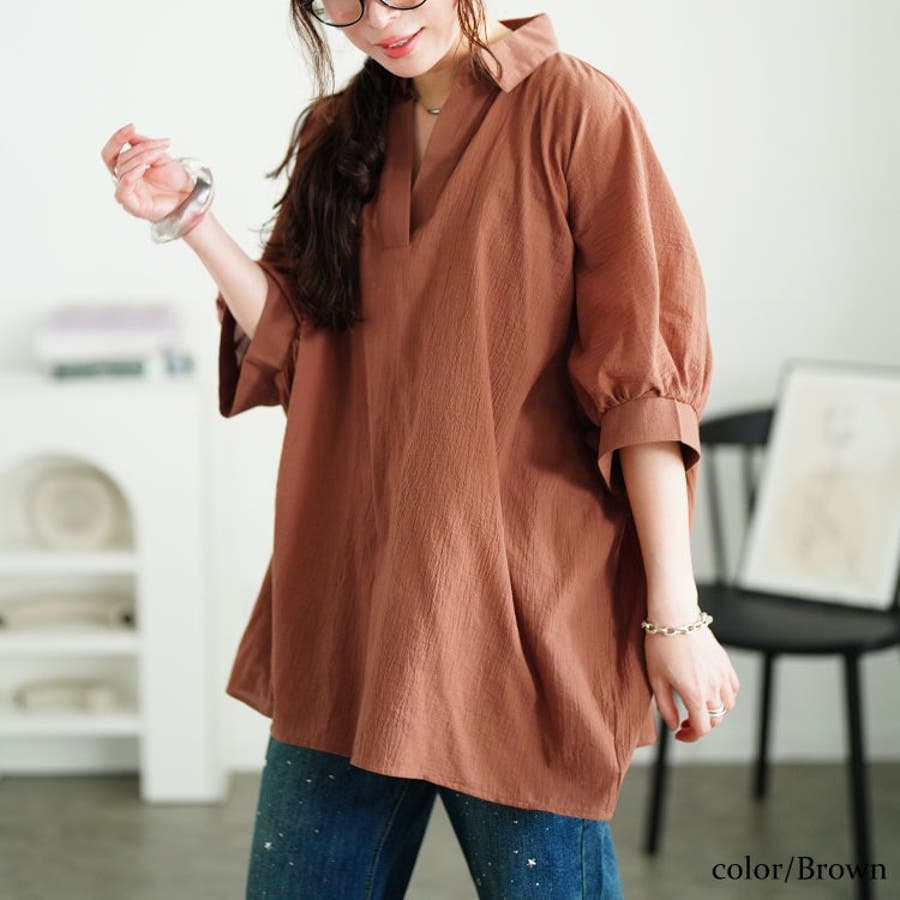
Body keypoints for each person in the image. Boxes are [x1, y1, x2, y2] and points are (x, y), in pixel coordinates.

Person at [101, 2, 740, 897]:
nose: (374, 22)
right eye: (342, 2)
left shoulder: (574, 110)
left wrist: (675, 617)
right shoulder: (339, 131)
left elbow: (643, 386)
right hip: (353, 605)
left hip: (521, 619)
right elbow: (300, 341)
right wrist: (189, 219)